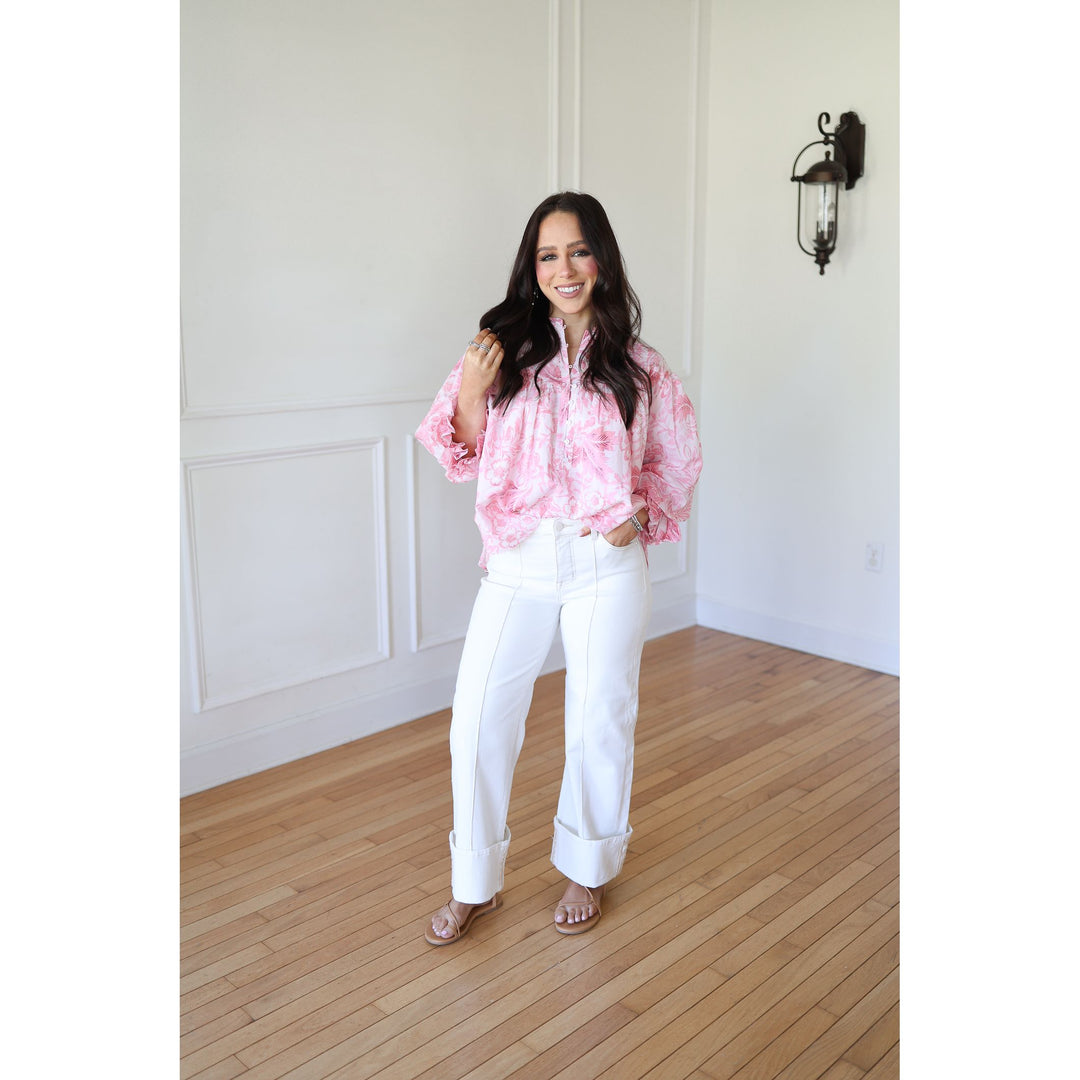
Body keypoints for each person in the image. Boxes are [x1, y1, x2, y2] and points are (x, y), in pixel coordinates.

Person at [415, 191, 702, 944]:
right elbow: (461, 450)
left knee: (599, 717)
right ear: (531, 265)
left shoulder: (640, 366)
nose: (563, 268)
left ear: (601, 259)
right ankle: (474, 881)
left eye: (577, 251)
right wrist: (475, 391)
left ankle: (586, 865)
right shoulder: (501, 347)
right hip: (517, 559)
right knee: (477, 721)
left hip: (605, 562)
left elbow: (677, 459)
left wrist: (636, 514)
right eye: (548, 255)